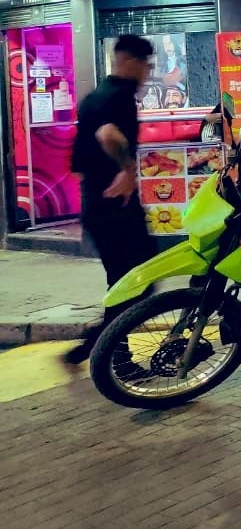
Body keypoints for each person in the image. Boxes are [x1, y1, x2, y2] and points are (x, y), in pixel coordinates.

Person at [65, 34, 158, 366]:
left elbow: (79, 158)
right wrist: (127, 171)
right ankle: (114, 359)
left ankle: (98, 349)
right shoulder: (120, 96)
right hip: (115, 207)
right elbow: (108, 135)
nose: (148, 73)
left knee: (123, 281)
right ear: (130, 61)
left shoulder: (94, 96)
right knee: (138, 281)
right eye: (146, 66)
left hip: (95, 203)